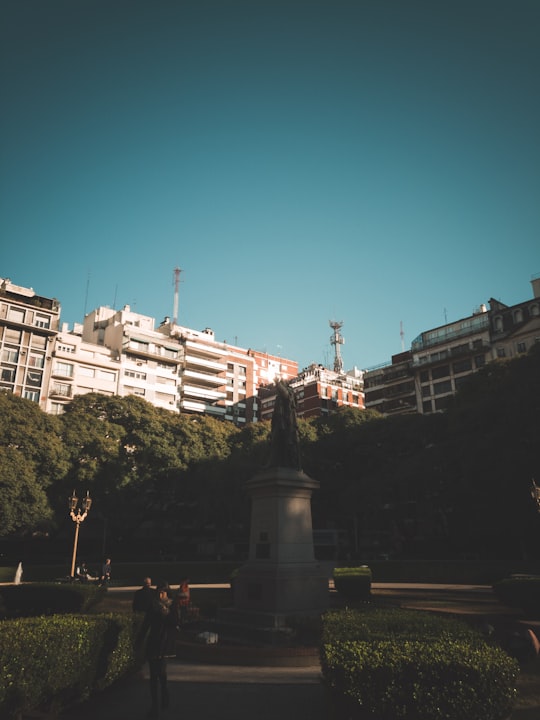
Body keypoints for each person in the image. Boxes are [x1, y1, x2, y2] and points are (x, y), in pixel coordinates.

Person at [138, 583, 179, 718]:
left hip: (165, 642)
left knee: (161, 672)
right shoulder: (153, 606)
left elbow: (175, 622)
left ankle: (165, 691)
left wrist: (165, 613)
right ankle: (154, 706)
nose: (161, 595)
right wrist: (139, 640)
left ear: (167, 593)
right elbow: (146, 624)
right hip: (154, 642)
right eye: (159, 593)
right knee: (153, 675)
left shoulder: (172, 605)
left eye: (163, 593)